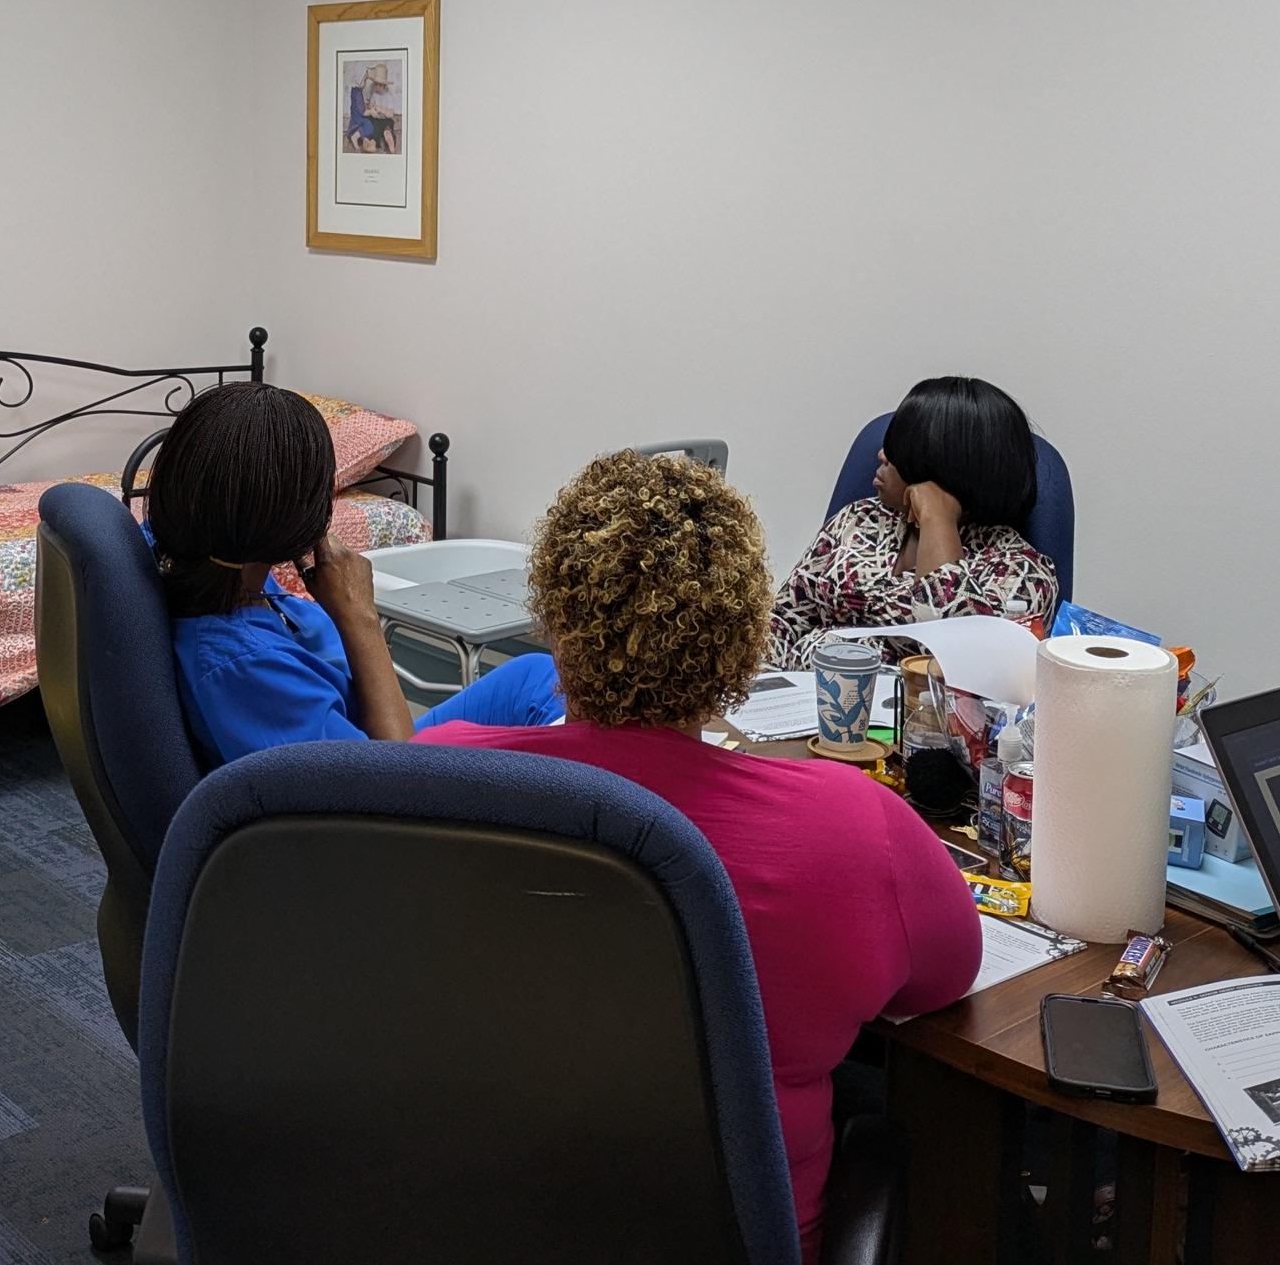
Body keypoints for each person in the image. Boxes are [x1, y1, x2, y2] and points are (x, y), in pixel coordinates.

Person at [418, 451, 981, 1262]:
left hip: (472, 1218)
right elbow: (947, 975)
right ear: (744, 639)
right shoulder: (856, 827)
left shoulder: (433, 776)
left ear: (553, 619)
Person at [147, 382, 560, 763]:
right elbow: (397, 782)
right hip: (386, 781)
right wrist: (359, 615)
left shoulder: (214, 564)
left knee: (537, 676)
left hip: (362, 729)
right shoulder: (246, 667)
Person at [766, 375, 1060, 670]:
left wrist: (937, 517)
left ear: (942, 465)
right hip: (793, 703)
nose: (881, 455)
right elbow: (782, 621)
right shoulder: (858, 521)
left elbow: (958, 659)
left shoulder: (1020, 573)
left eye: (899, 449)